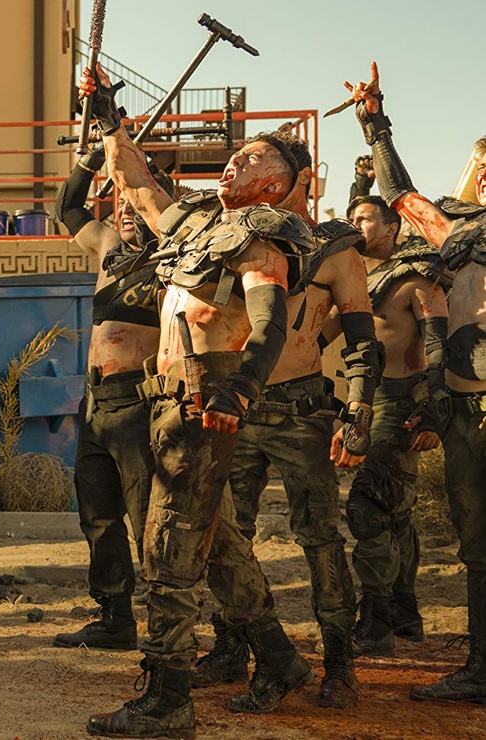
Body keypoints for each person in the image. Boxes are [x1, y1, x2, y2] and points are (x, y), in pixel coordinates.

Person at [79, 66, 317, 738]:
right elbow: (135, 179)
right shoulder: (194, 224)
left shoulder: (262, 237)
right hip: (165, 402)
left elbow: (268, 323)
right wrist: (107, 115)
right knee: (221, 548)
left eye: (258, 157)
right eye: (239, 152)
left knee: (168, 550)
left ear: (280, 183)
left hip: (205, 401)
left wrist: (243, 387)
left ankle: (168, 700)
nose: (239, 158)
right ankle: (280, 660)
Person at [192, 141, 378, 709]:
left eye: (258, 159)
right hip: (236, 406)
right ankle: (233, 649)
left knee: (320, 538)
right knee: (228, 535)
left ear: (297, 178)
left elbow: (363, 343)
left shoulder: (333, 250)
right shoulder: (228, 236)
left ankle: (340, 665)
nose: (243, 167)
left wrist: (358, 413)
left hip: (301, 411)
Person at [343, 61, 486, 703]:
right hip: (464, 404)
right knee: (475, 540)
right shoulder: (456, 233)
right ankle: (480, 666)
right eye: (481, 167)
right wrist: (374, 123)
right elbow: (400, 194)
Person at [51, 145, 172, 650]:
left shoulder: (174, 255)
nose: (122, 209)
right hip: (95, 404)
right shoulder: (108, 247)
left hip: (140, 404)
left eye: (132, 201)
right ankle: (115, 619)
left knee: (149, 520)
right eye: (118, 201)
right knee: (98, 517)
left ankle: (168, 625)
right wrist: (88, 163)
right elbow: (67, 208)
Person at [328, 195, 450, 657]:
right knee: (395, 512)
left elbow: (439, 348)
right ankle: (404, 614)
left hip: (402, 405)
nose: (355, 224)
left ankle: (376, 624)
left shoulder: (418, 282)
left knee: (369, 506)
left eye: (364, 218)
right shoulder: (357, 278)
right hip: (367, 402)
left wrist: (434, 408)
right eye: (351, 217)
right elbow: (321, 334)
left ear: (392, 226)